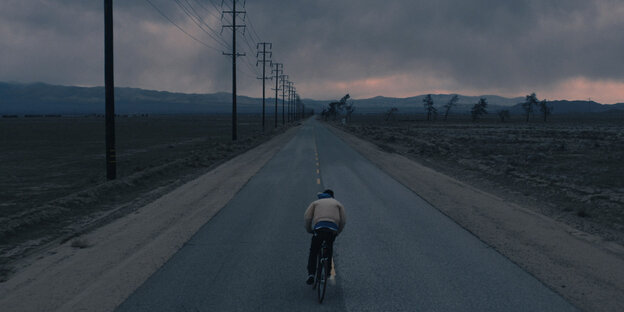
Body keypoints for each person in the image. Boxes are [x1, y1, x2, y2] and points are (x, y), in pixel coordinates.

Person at [304, 189, 346, 285]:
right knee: (329, 247)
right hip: (332, 230)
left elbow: (307, 217)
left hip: (319, 228)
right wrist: (337, 232)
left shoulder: (316, 202)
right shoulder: (337, 204)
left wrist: (309, 229)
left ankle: (311, 274)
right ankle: (328, 272)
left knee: (314, 251)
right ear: (332, 196)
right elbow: (343, 220)